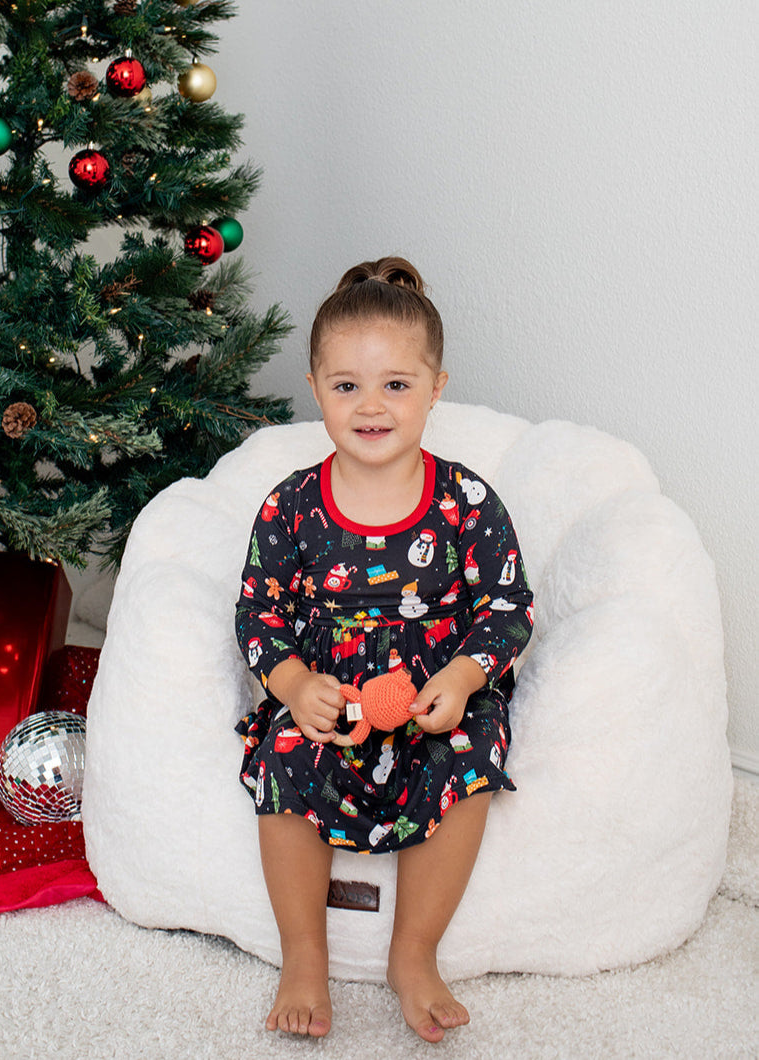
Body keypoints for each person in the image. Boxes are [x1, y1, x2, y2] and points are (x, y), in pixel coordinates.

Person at [234, 257, 534, 1043]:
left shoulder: (466, 500)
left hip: (434, 693)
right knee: (284, 761)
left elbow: (507, 606)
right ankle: (303, 954)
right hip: (329, 697)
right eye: (346, 386)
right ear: (314, 388)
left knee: (468, 760)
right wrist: (296, 684)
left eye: (396, 385)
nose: (371, 407)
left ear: (436, 387)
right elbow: (257, 613)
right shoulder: (291, 504)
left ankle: (413, 952)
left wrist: (465, 679)